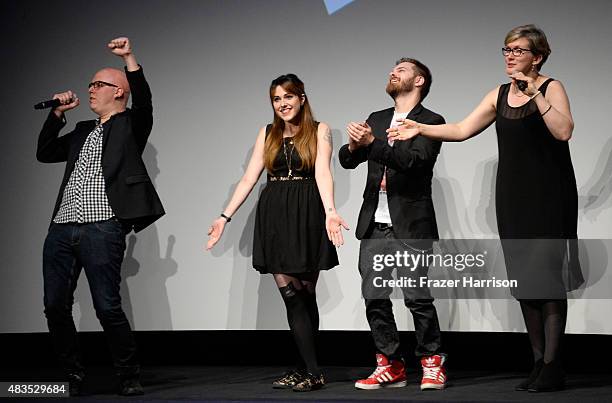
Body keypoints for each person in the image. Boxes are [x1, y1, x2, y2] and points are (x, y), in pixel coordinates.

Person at [389, 25, 581, 392]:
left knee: (548, 280)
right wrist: (420, 129)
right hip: (512, 197)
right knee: (525, 282)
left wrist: (536, 93)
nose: (509, 56)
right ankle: (538, 361)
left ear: (537, 57)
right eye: (506, 49)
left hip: (549, 196)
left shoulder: (552, 86)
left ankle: (555, 365)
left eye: (518, 50)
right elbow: (461, 129)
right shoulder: (499, 94)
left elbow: (563, 131)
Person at [36, 37, 164, 396]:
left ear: (119, 93)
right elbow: (45, 152)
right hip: (62, 228)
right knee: (53, 305)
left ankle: (128, 375)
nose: (90, 90)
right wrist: (57, 113)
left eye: (99, 84)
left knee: (107, 306)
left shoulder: (131, 124)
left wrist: (129, 59)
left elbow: (146, 101)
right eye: (90, 83)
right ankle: (73, 374)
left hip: (102, 226)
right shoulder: (80, 132)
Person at [206, 74, 348, 392]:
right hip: (274, 215)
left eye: (288, 96)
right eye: (276, 98)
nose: (282, 103)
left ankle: (305, 368)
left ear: (301, 98)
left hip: (307, 212)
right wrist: (224, 217)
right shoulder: (268, 133)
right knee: (291, 297)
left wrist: (331, 211)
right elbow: (248, 178)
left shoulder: (320, 130)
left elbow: (324, 172)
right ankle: (312, 371)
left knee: (306, 296)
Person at [339, 58, 447, 391]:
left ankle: (431, 362)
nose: (393, 72)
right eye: (392, 68)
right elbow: (347, 160)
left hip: (411, 224)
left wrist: (374, 144)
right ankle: (390, 364)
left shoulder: (431, 121)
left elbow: (415, 162)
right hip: (374, 225)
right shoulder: (378, 118)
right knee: (375, 298)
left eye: (401, 69)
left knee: (416, 297)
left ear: (419, 80)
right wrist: (355, 144)